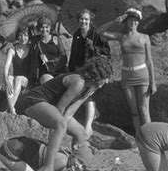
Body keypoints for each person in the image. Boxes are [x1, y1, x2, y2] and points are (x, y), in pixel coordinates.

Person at [16, 55, 113, 171]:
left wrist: (62, 127)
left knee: (81, 133)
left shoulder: (89, 88)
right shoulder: (79, 82)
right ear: (98, 75)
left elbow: (69, 112)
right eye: (106, 77)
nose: (107, 81)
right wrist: (55, 132)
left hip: (51, 106)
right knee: (60, 124)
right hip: (32, 100)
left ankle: (79, 168)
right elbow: (60, 109)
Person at [99, 8, 156, 134]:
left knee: (144, 110)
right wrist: (115, 21)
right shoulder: (121, 37)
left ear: (138, 22)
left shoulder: (145, 37)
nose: (133, 23)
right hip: (127, 76)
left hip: (142, 75)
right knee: (134, 111)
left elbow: (149, 61)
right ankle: (139, 138)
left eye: (135, 21)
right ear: (126, 22)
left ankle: (150, 139)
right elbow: (100, 31)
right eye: (130, 20)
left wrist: (153, 82)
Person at [68, 8, 111, 137]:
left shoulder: (96, 34)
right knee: (82, 95)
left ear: (90, 20)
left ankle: (88, 127)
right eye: (81, 19)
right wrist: (70, 69)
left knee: (88, 95)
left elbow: (107, 53)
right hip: (80, 69)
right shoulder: (76, 34)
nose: (84, 21)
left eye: (86, 19)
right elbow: (74, 54)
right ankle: (95, 113)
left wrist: (94, 47)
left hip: (94, 70)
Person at [0, 136, 75, 171]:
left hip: (11, 146)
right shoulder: (63, 160)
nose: (80, 167)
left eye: (84, 166)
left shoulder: (63, 156)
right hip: (10, 152)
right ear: (75, 155)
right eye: (80, 162)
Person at [30, 16, 67, 85]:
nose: (44, 29)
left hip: (59, 70)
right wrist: (30, 28)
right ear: (38, 28)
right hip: (45, 73)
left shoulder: (56, 39)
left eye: (47, 27)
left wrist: (48, 59)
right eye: (42, 27)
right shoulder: (36, 41)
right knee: (49, 83)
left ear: (50, 28)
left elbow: (64, 57)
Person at [3, 26, 32, 114]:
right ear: (17, 36)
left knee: (18, 78)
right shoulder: (12, 49)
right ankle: (12, 110)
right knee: (10, 78)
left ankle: (10, 108)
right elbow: (6, 67)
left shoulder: (32, 48)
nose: (23, 38)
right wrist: (6, 81)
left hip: (27, 80)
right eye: (20, 35)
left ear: (29, 36)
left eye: (26, 35)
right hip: (16, 79)